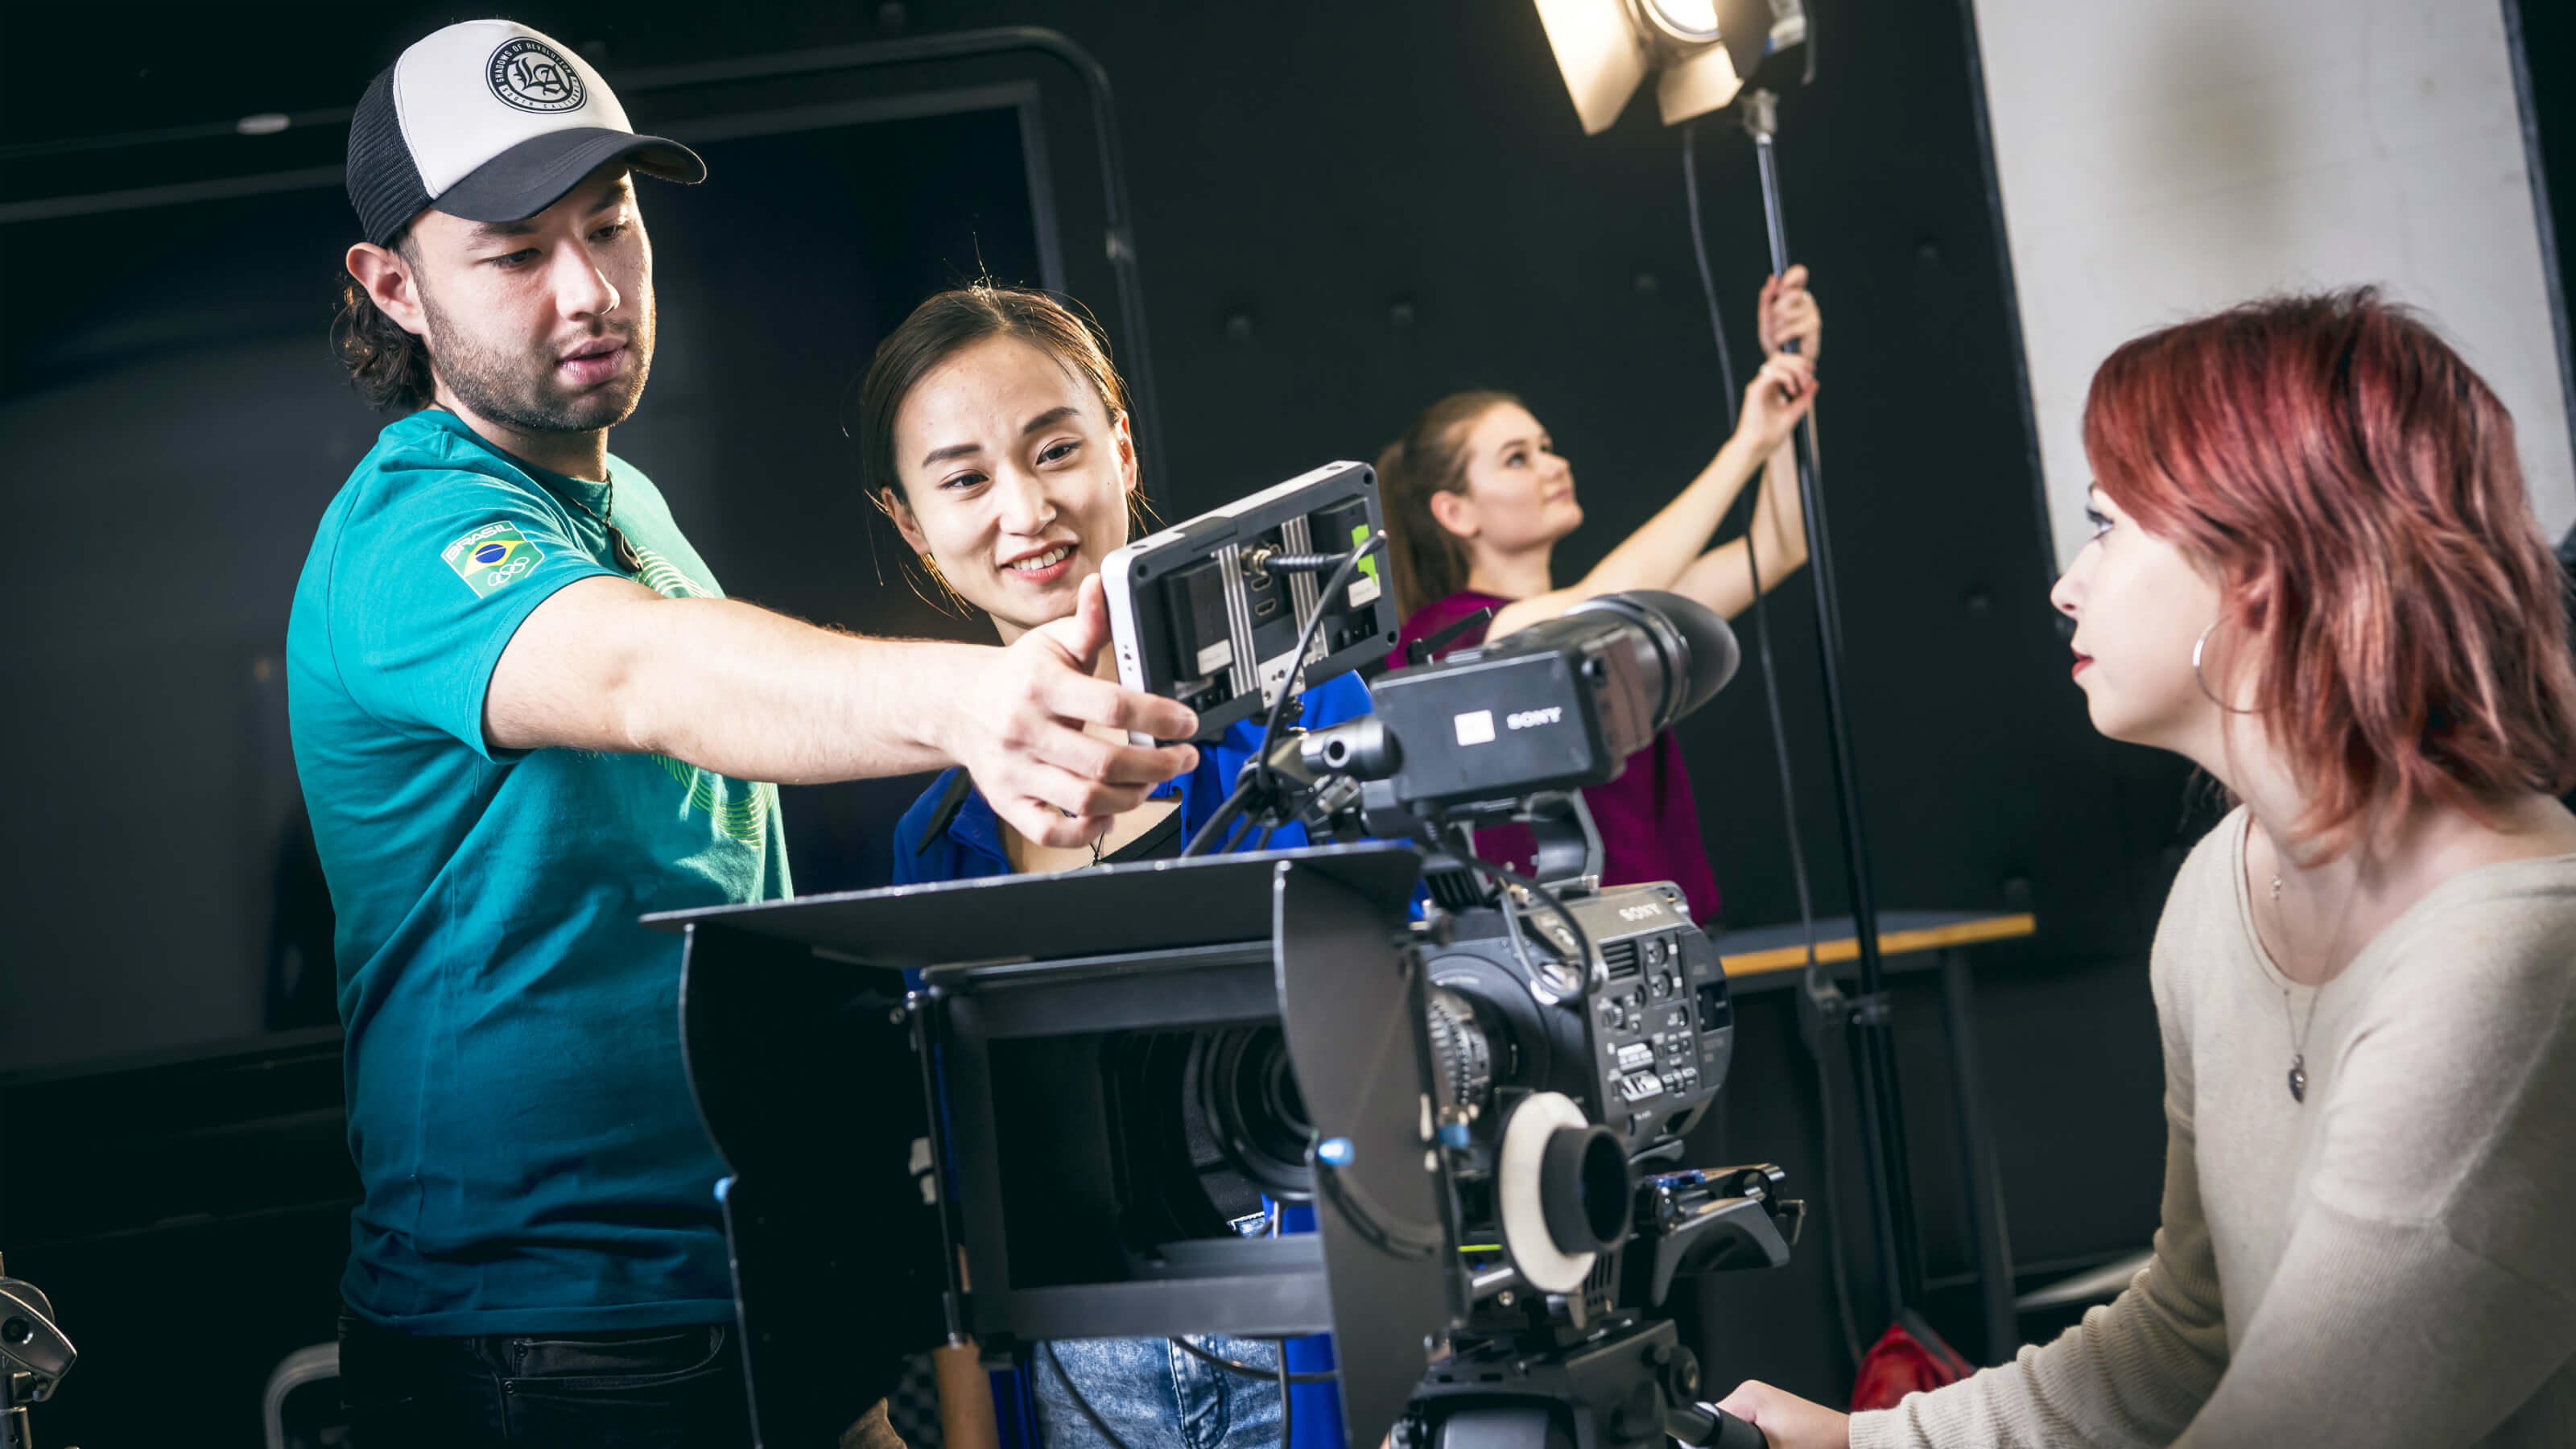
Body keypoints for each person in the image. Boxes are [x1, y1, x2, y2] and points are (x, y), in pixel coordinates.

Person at [292, 23, 1196, 1447]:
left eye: (612, 226)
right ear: (393, 285)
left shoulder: (624, 502)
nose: (589, 291)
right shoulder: (413, 538)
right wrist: (970, 702)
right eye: (516, 255)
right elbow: (646, 674)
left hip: (750, 1275)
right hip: (545, 1340)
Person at [1715, 290, 2576, 1446]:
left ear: (2258, 570)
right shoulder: (2222, 886)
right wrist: (1856, 1441)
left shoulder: (2513, 961)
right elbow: (2189, 1333)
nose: (2067, 583)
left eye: (2108, 525)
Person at [869, 284, 1356, 1449]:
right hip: (1075, 1368)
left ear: (1120, 447)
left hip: (1323, 1331)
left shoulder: (1311, 714)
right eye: (967, 478)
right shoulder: (934, 842)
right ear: (909, 523)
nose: (1027, 509)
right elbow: (961, 1197)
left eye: (1055, 450)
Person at [1377, 270, 1823, 923]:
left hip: (1661, 933)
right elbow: (1588, 609)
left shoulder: (1606, 612)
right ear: (1455, 511)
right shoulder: (1445, 636)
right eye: (1518, 459)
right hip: (1558, 960)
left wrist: (1789, 386)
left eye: (1547, 447)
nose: (1554, 465)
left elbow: (1780, 547)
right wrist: (1745, 445)